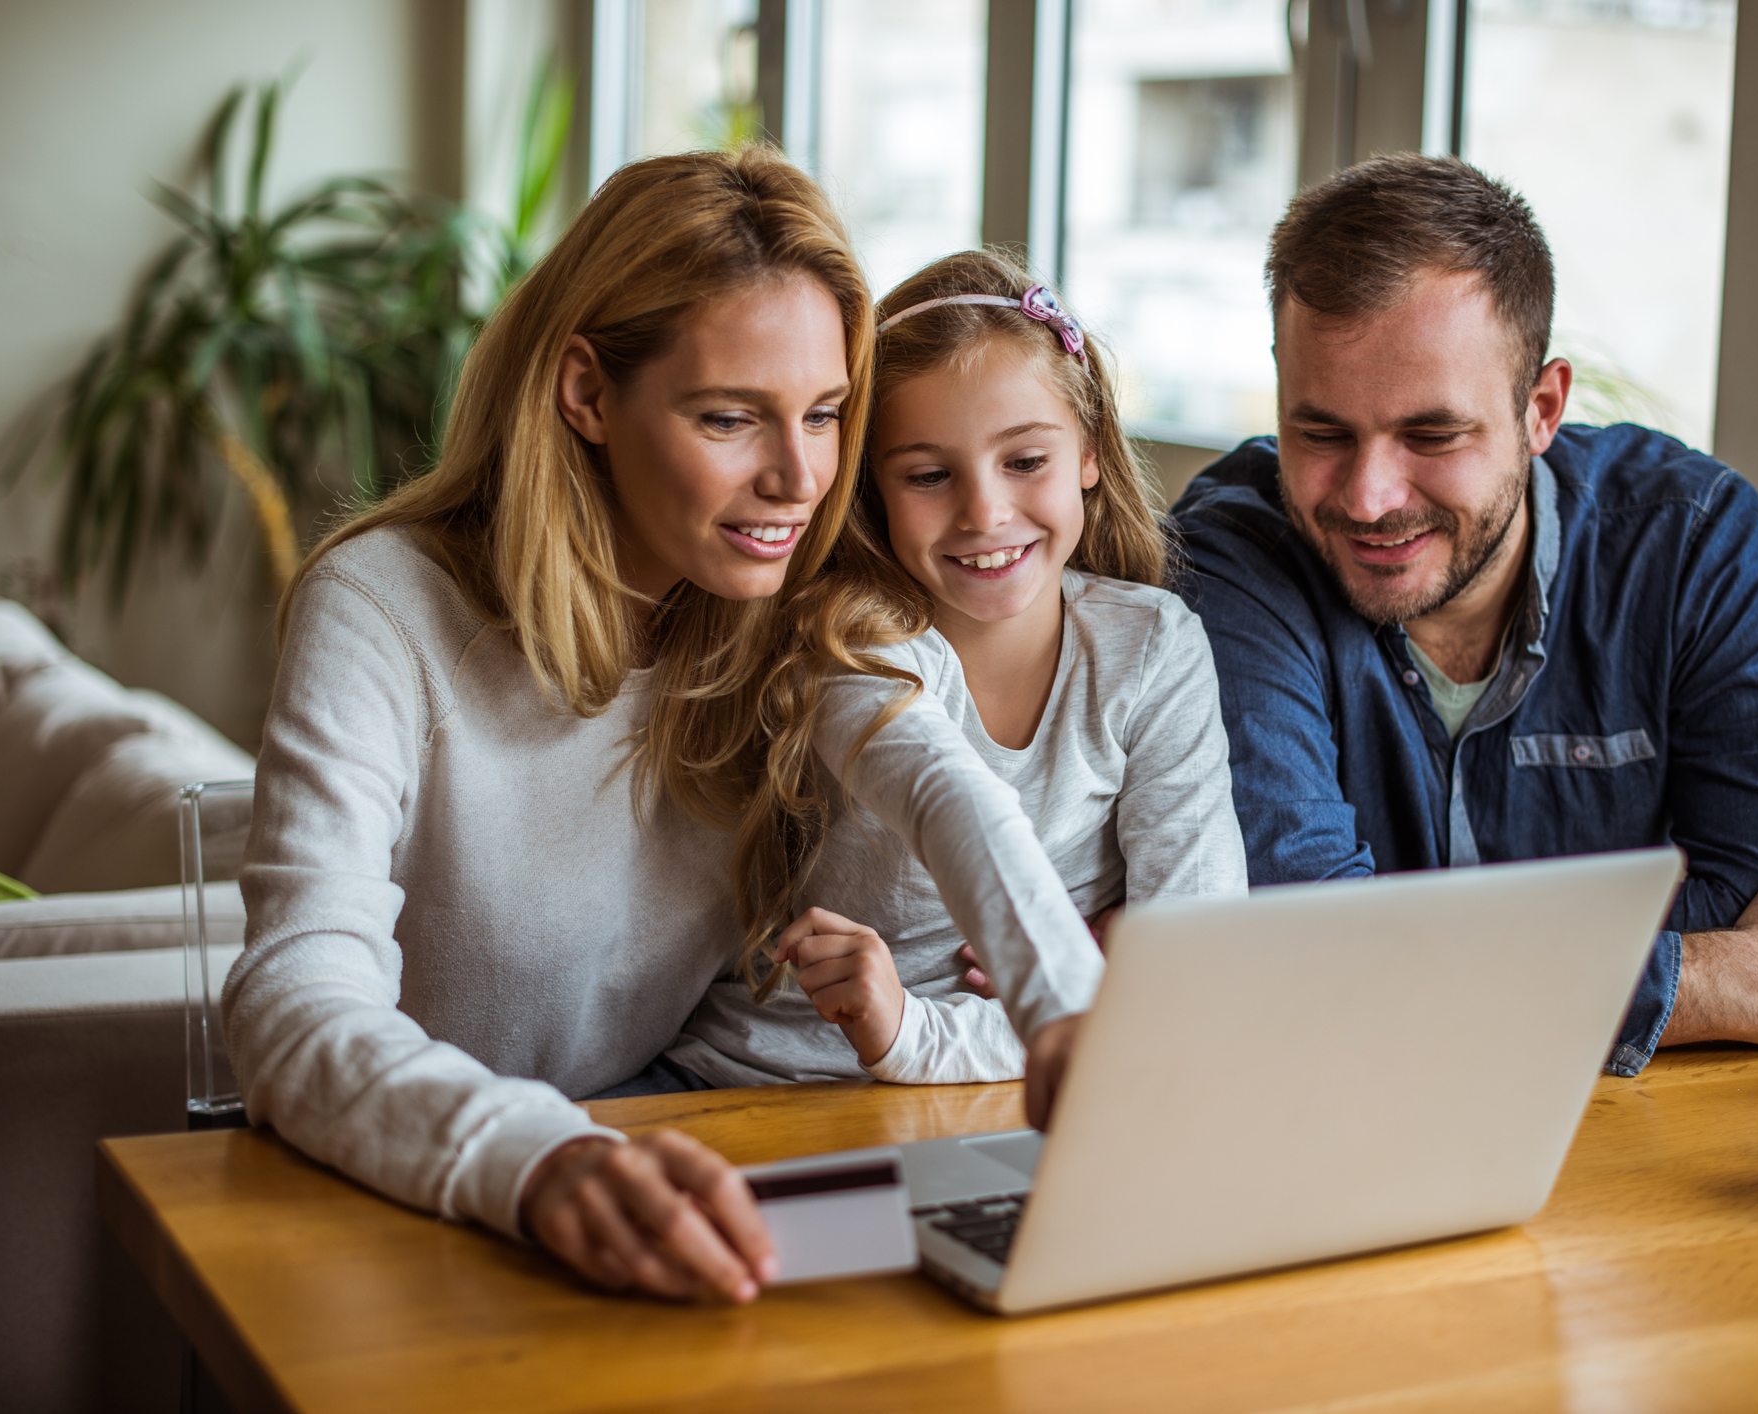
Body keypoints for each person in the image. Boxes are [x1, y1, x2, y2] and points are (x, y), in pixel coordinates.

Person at [224, 151, 1103, 1307]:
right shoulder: (383, 604)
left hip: (646, 1141)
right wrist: (541, 1160)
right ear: (586, 391)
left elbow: (936, 781)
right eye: (731, 417)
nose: (797, 478)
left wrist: (1065, 1010)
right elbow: (294, 1002)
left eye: (827, 414)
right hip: (396, 1177)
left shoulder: (788, 600)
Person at [1171, 154, 1758, 1076]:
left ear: (1541, 408)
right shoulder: (1230, 558)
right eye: (1320, 433)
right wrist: (1704, 981)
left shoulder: (1690, 539)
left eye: (1431, 435)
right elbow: (1301, 950)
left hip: (1649, 1149)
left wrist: (1415, 972)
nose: (1365, 497)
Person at [666, 250, 1245, 1088]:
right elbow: (949, 800)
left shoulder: (1152, 648)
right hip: (770, 1087)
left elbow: (1195, 983)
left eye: (1025, 461)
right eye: (929, 476)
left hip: (1028, 1092)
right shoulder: (846, 646)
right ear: (870, 492)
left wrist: (922, 1032)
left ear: (1088, 453)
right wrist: (1072, 1010)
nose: (984, 512)